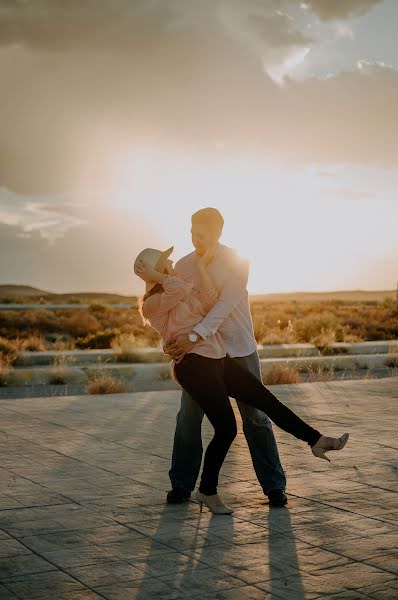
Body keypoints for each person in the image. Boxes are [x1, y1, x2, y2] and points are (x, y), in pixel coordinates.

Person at [134, 243, 349, 515]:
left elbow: (209, 301)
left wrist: (199, 270)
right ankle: (207, 491)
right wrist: (158, 278)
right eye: (166, 261)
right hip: (194, 367)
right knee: (226, 429)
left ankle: (317, 441)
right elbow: (177, 290)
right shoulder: (152, 302)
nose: (172, 262)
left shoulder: (178, 285)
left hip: (219, 359)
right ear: (154, 269)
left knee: (265, 400)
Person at [164, 207, 288, 508]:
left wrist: (194, 335)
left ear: (219, 232)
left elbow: (224, 305)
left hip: (238, 348)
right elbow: (176, 310)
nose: (195, 239)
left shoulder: (237, 261)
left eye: (202, 234)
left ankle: (274, 486)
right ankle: (181, 485)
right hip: (202, 355)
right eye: (192, 232)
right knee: (188, 418)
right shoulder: (183, 265)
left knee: (255, 417)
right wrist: (174, 340)